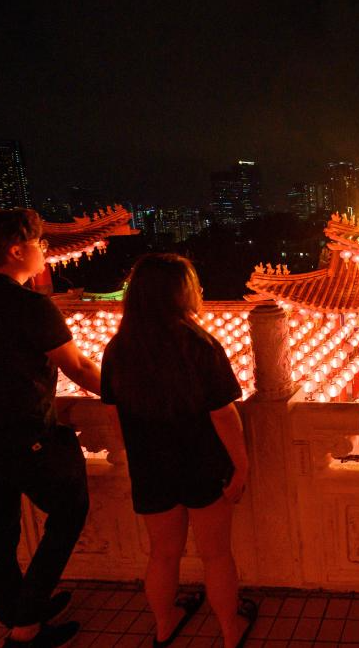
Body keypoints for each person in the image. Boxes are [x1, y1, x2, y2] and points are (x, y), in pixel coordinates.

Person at [0, 209, 102, 647]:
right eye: (39, 243)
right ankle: (27, 625)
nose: (43, 250)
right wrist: (125, 391)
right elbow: (80, 367)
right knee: (69, 510)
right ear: (15, 250)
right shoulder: (30, 305)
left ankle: (18, 614)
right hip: (18, 439)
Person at [100, 254, 256, 648]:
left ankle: (165, 623)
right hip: (201, 464)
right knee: (216, 555)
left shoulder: (118, 348)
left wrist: (134, 456)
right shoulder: (198, 344)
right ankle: (229, 628)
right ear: (180, 293)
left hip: (150, 467)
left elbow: (115, 414)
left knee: (162, 555)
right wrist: (240, 465)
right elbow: (223, 414)